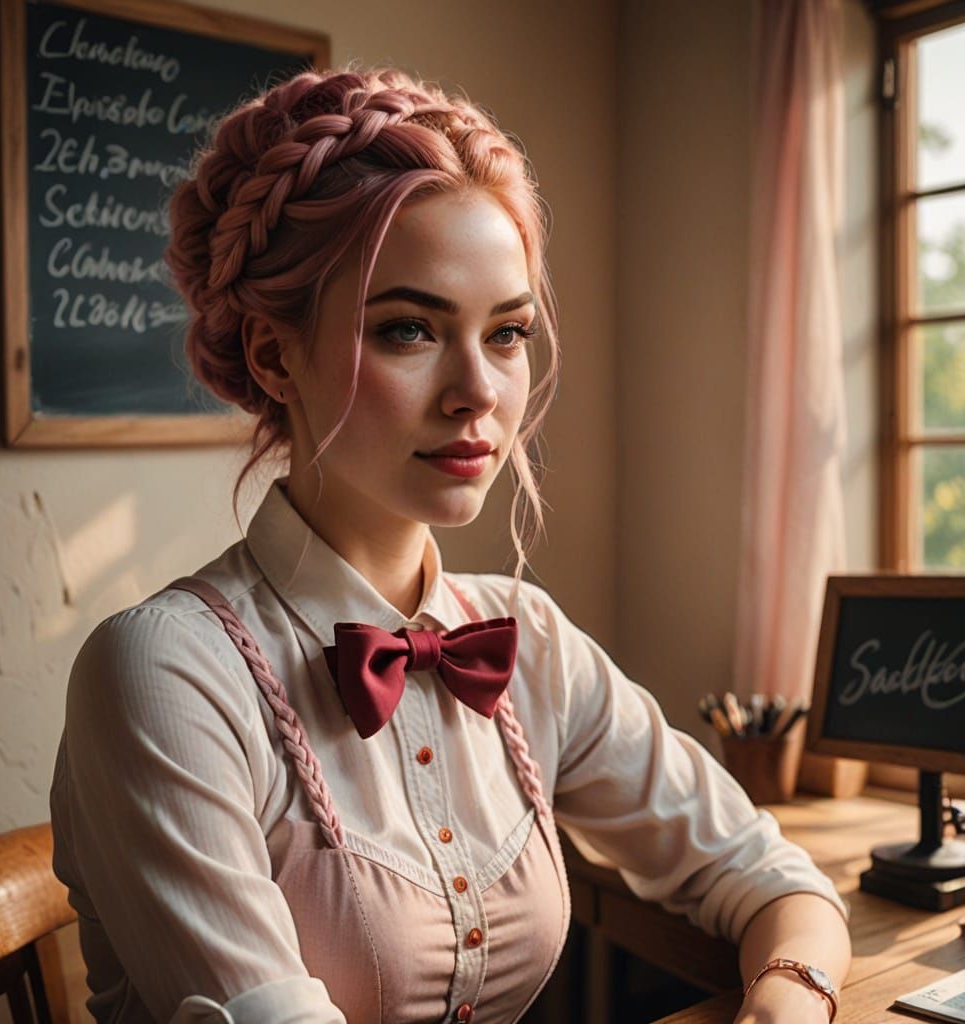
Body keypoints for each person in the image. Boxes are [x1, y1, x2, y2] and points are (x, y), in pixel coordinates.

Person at [49, 64, 851, 1024]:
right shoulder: (164, 671)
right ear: (273, 356)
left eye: (507, 333)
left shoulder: (529, 641)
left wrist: (789, 1001)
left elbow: (770, 878)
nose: (479, 392)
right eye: (408, 330)